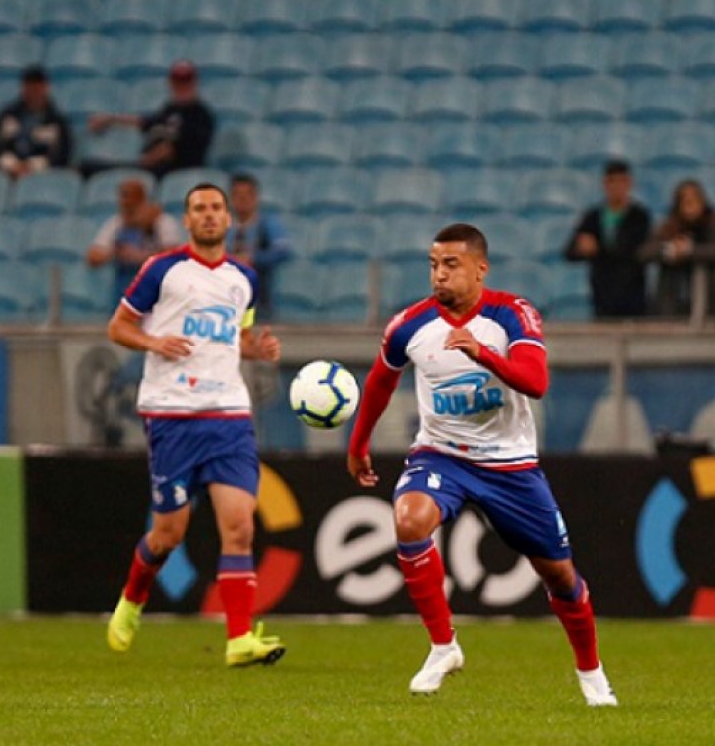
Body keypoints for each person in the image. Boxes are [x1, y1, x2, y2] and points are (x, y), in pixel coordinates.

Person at [347, 223, 617, 707]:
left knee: (559, 576)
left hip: (509, 464)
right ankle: (443, 646)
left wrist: (483, 353)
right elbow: (380, 381)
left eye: (451, 265)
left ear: (479, 268)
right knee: (409, 520)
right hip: (442, 455)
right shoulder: (409, 325)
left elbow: (536, 383)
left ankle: (591, 672)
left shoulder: (511, 314)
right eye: (433, 265)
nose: (439, 275)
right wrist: (358, 442)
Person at [105, 183, 286, 668]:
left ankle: (239, 639)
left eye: (216, 208)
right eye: (199, 209)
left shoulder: (243, 276)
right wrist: (153, 342)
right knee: (168, 535)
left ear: (229, 219)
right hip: (171, 415)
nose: (208, 216)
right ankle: (132, 599)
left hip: (228, 415)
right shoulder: (162, 270)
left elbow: (235, 337)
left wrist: (257, 349)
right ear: (186, 221)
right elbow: (118, 327)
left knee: (240, 527)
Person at [88, 60, 216, 177]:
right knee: (88, 167)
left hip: (173, 172)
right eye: (177, 82)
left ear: (194, 83)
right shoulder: (170, 109)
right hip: (149, 168)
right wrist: (110, 119)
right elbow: (146, 123)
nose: (181, 87)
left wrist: (149, 159)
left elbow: (175, 148)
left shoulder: (201, 114)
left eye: (185, 82)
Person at [563, 159, 652, 318]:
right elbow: (569, 252)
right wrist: (581, 248)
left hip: (633, 297)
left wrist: (597, 248)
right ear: (604, 184)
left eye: (621, 181)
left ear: (629, 183)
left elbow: (628, 250)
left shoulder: (639, 217)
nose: (616, 187)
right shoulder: (593, 217)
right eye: (612, 182)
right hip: (602, 296)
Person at [86, 177, 183, 307]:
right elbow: (93, 258)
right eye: (123, 199)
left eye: (132, 201)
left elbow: (173, 255)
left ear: (143, 199)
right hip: (125, 289)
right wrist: (116, 252)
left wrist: (141, 256)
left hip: (157, 289)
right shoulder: (116, 223)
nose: (126, 205)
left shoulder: (163, 221)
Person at [638, 179, 715, 317]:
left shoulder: (711, 225)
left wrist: (690, 250)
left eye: (694, 200)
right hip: (672, 306)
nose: (690, 205)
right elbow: (644, 252)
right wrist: (670, 249)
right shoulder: (668, 227)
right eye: (685, 201)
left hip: (708, 305)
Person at [226, 173, 293, 322]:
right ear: (231, 198)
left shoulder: (267, 224)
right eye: (238, 195)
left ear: (255, 197)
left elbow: (283, 251)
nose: (242, 200)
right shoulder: (224, 225)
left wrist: (253, 258)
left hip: (261, 295)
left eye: (247, 195)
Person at [0, 65, 71, 177]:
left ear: (45, 88)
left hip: (42, 176)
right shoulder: (7, 115)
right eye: (29, 88)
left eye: (37, 89)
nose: (33, 94)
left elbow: (62, 154)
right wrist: (11, 165)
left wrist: (32, 166)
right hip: (7, 172)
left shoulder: (57, 121)